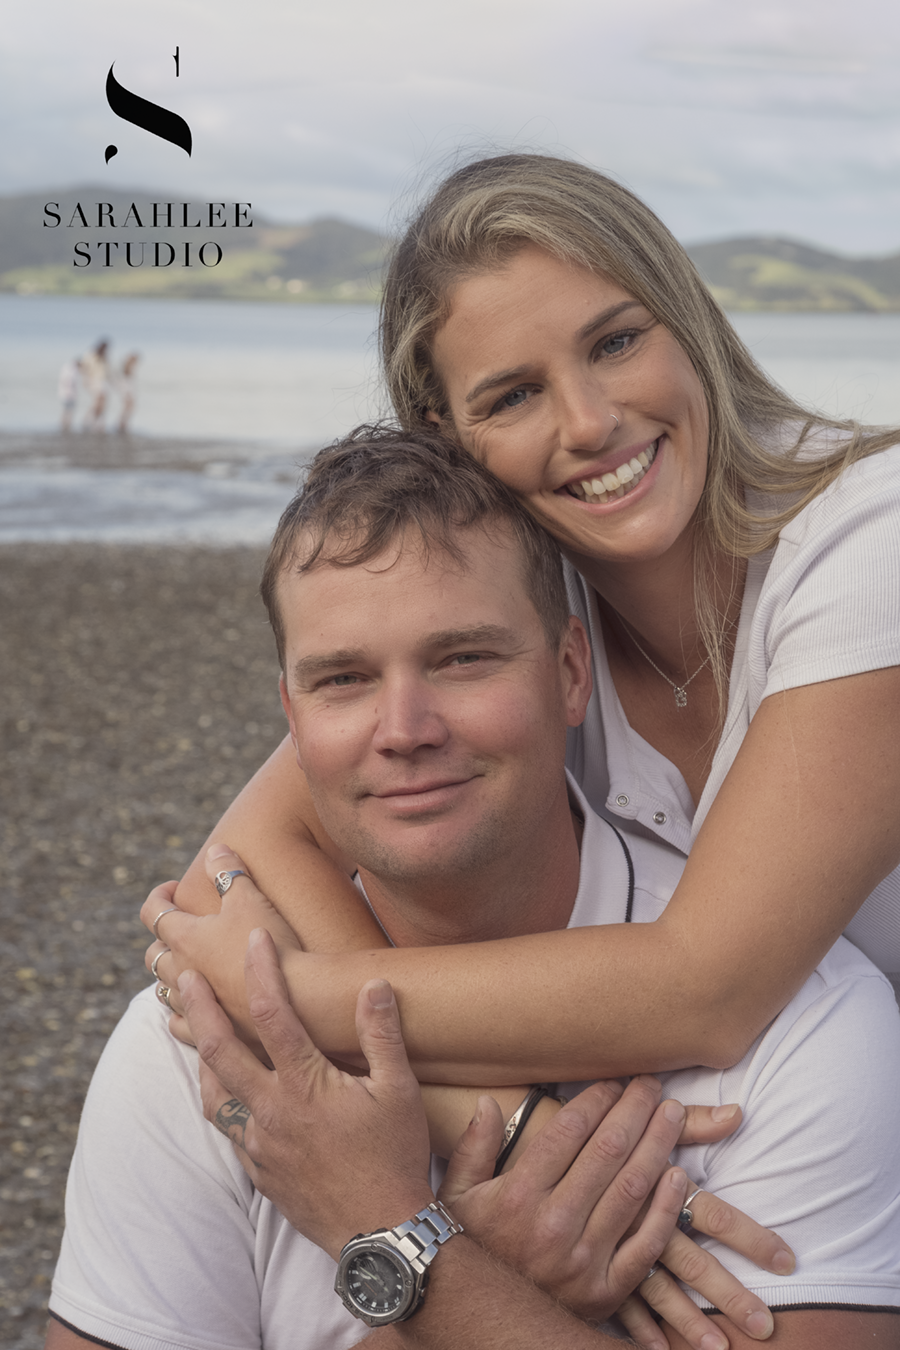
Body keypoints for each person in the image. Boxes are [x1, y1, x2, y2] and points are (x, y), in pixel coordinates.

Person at [49, 431, 842, 1350]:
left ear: (571, 673)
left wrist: (399, 1237)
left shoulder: (802, 1025)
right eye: (344, 679)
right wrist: (455, 1267)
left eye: (463, 659)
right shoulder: (191, 1049)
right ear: (292, 719)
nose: (405, 729)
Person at [150, 152, 900, 1081]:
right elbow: (230, 866)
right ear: (447, 438)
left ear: (690, 323)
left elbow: (710, 990)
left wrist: (298, 1002)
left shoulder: (871, 538)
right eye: (513, 395)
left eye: (615, 343)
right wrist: (494, 1123)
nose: (588, 423)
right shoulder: (527, 598)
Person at [81, 339, 110, 432]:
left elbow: (107, 371)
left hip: (102, 382)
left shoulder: (104, 357)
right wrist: (86, 381)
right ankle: (88, 420)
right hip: (94, 381)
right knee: (97, 402)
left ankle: (96, 422)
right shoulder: (90, 355)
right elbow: (85, 368)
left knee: (101, 403)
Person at [116, 352, 140, 435]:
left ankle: (124, 424)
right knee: (128, 407)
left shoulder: (130, 367)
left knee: (129, 407)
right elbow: (126, 381)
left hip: (129, 389)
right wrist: (128, 393)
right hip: (127, 390)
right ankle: (121, 424)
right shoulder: (128, 367)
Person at [57, 357, 81, 433]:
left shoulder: (67, 368)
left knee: (67, 410)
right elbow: (68, 382)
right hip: (67, 393)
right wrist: (69, 392)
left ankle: (65, 425)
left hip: (67, 393)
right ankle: (65, 425)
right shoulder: (71, 370)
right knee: (68, 410)